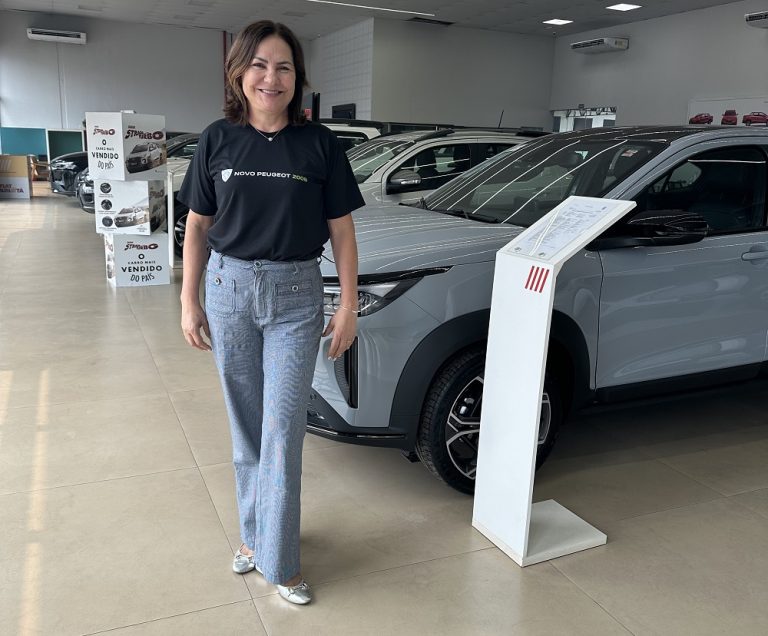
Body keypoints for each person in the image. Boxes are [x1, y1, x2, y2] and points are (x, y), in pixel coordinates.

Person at [178, 20, 364, 606]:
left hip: (295, 296)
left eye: (283, 67)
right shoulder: (217, 139)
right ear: (239, 73)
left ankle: (280, 562)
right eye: (259, 65)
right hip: (228, 289)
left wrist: (349, 304)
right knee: (247, 428)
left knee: (282, 430)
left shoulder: (319, 144)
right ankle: (254, 536)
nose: (271, 77)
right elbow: (197, 225)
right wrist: (188, 299)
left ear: (297, 78)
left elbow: (342, 230)